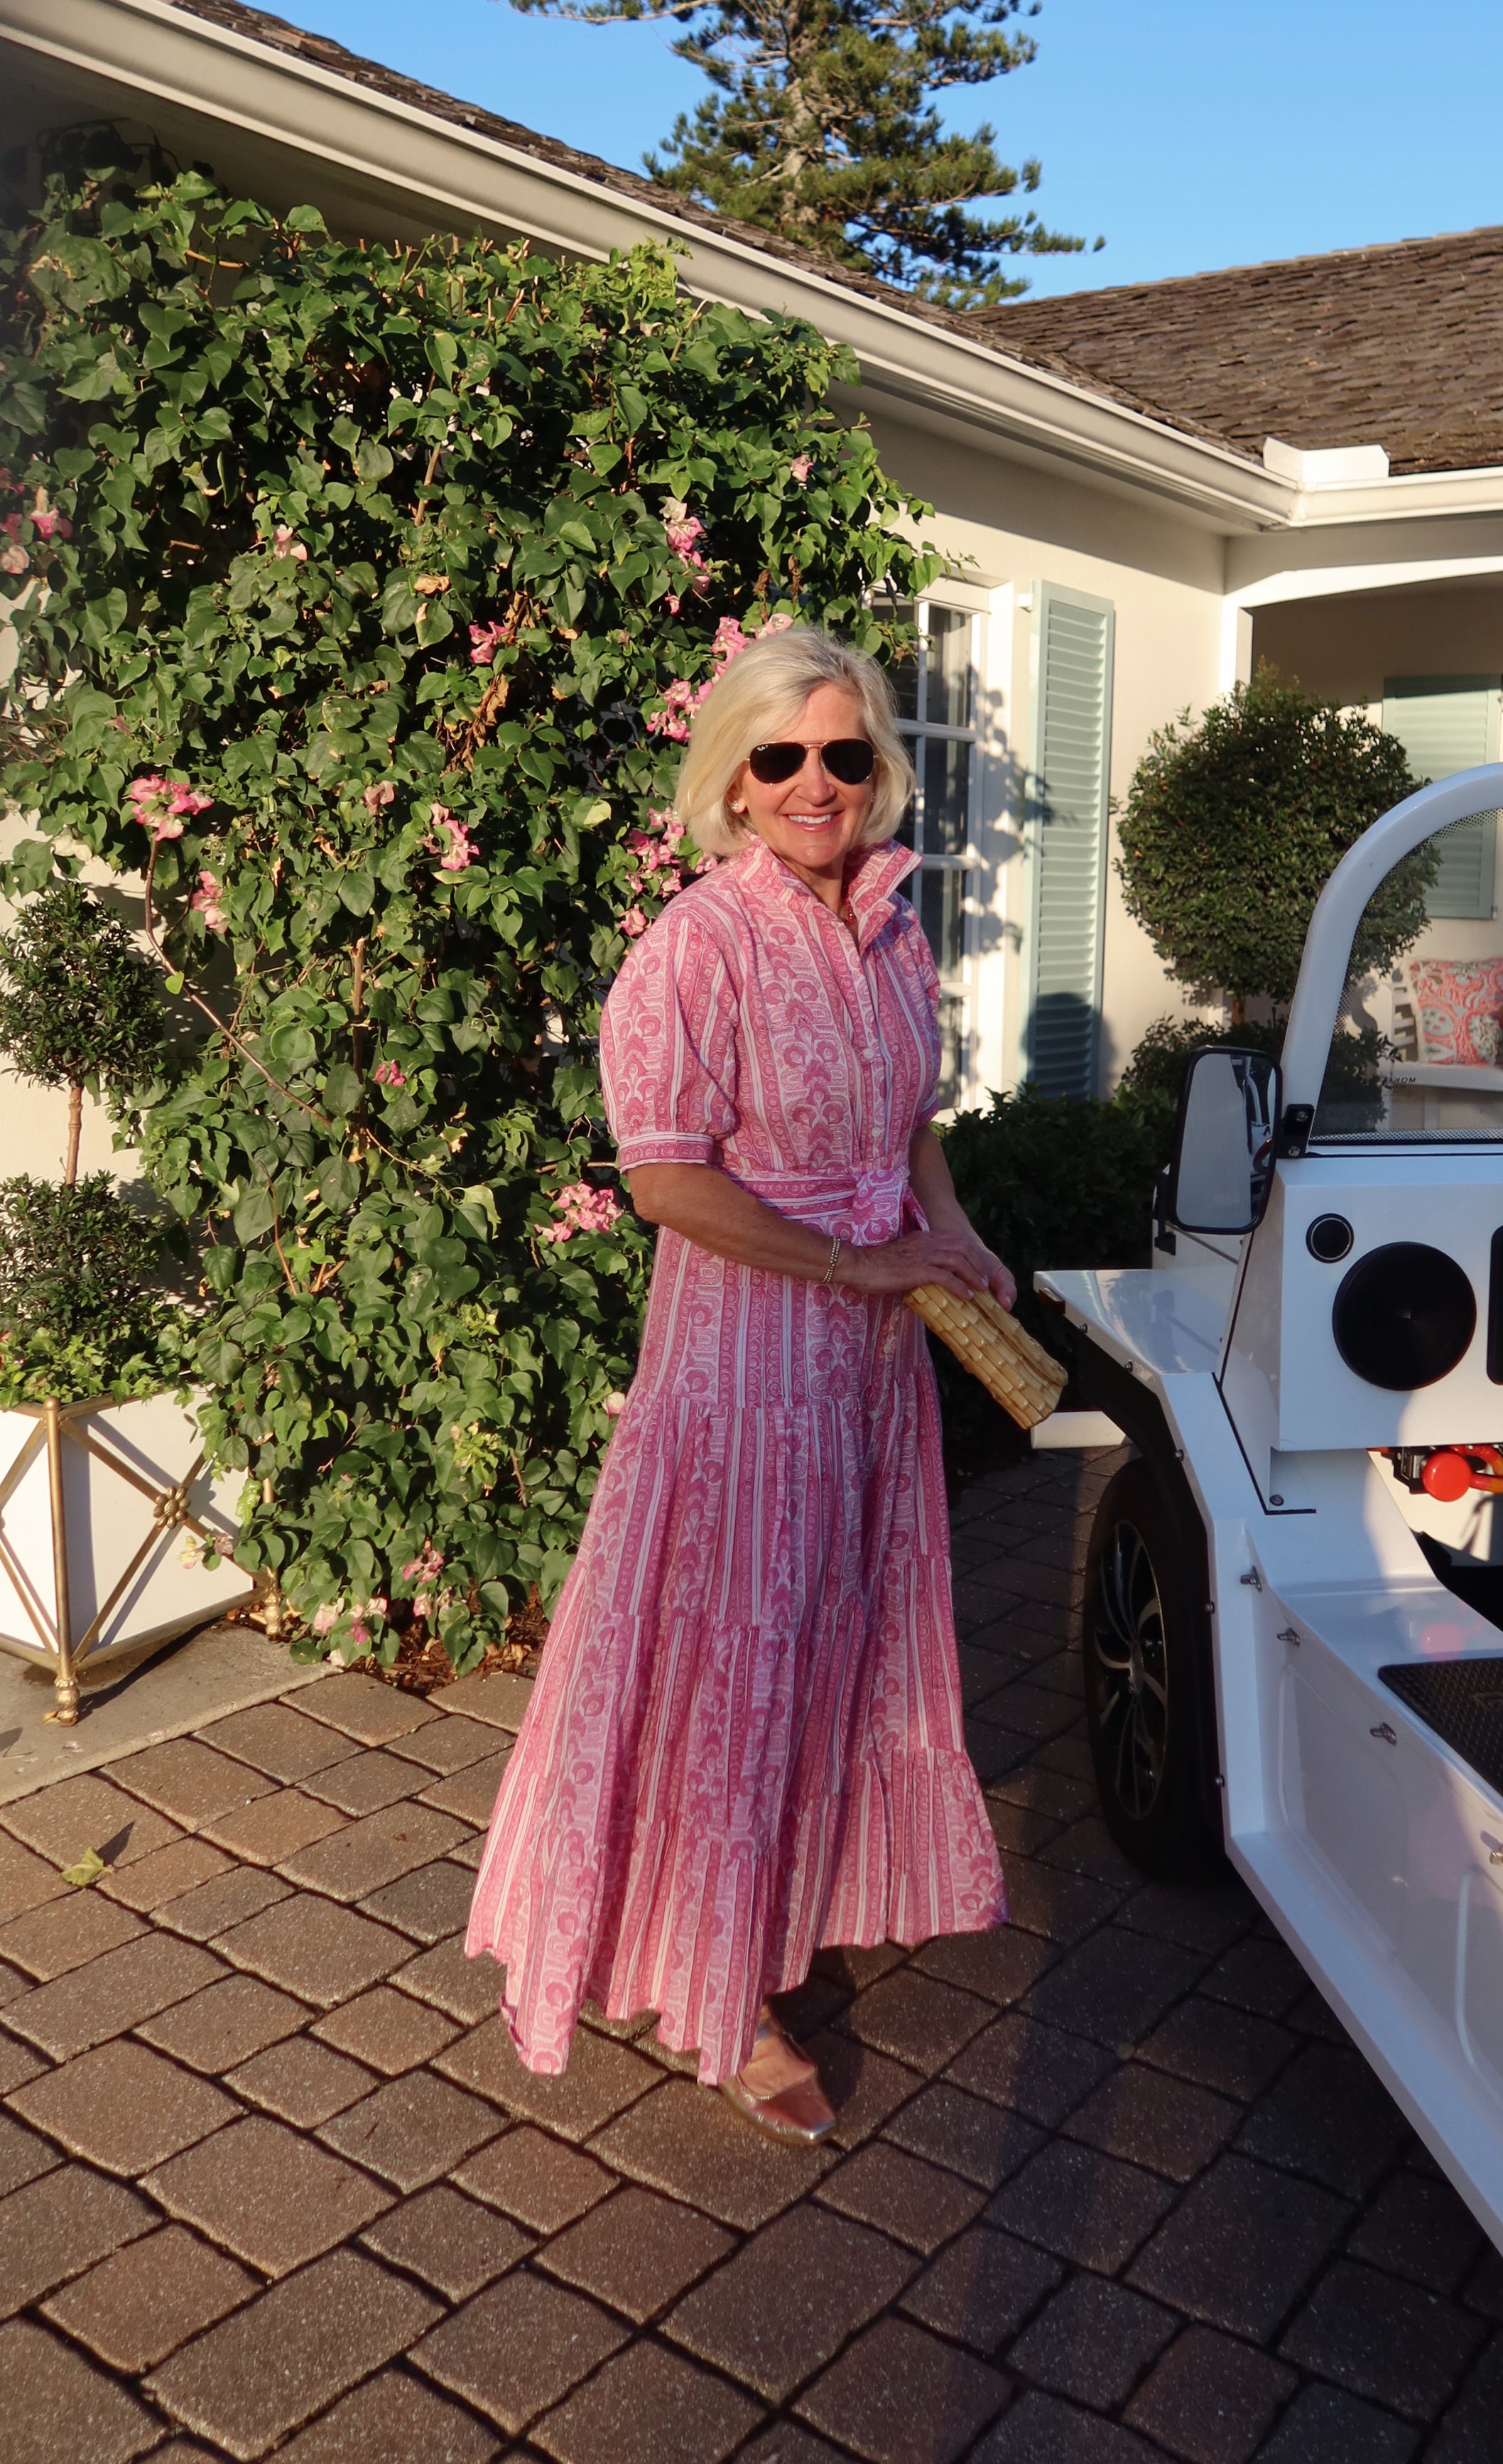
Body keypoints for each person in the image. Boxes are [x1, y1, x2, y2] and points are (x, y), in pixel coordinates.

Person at [467, 622, 1012, 2139]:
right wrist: (856, 1263)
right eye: (781, 757)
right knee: (737, 1658)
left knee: (842, 1637)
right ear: (733, 778)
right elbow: (664, 1183)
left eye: (843, 752)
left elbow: (910, 1122)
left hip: (871, 1364)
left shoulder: (896, 927)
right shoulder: (695, 947)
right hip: (748, 1368)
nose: (813, 783)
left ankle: (797, 1895)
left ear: (878, 766)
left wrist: (952, 1233)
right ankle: (728, 1992)